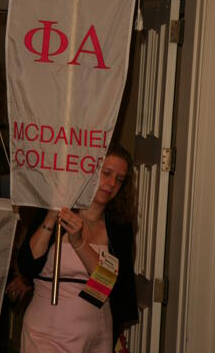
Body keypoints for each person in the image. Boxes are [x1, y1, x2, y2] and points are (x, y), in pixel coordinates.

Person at [17, 142, 138, 353]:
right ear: (88, 171)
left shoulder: (119, 228)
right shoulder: (57, 211)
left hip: (96, 335)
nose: (111, 184)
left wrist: (79, 242)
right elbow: (27, 268)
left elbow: (111, 287)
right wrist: (50, 218)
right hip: (46, 332)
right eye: (106, 173)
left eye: (119, 180)